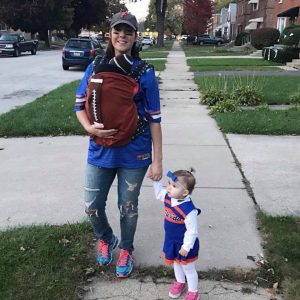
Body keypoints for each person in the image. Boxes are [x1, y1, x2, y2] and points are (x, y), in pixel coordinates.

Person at [74, 10, 163, 278]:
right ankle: (106, 238)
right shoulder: (95, 66)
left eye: (128, 31)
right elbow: (79, 105)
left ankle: (126, 247)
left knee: (128, 207)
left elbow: (155, 119)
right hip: (100, 149)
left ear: (136, 37)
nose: (122, 35)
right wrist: (88, 127)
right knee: (91, 205)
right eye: (117, 30)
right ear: (110, 34)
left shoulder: (144, 71)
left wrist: (157, 160)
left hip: (134, 151)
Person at [152, 170, 200, 300]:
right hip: (171, 241)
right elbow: (158, 194)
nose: (168, 187)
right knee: (176, 263)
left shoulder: (189, 210)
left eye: (174, 186)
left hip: (184, 244)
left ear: (185, 193)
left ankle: (193, 291)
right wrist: (155, 180)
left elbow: (192, 231)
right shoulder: (169, 197)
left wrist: (186, 247)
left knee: (188, 268)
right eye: (168, 183)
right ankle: (180, 282)